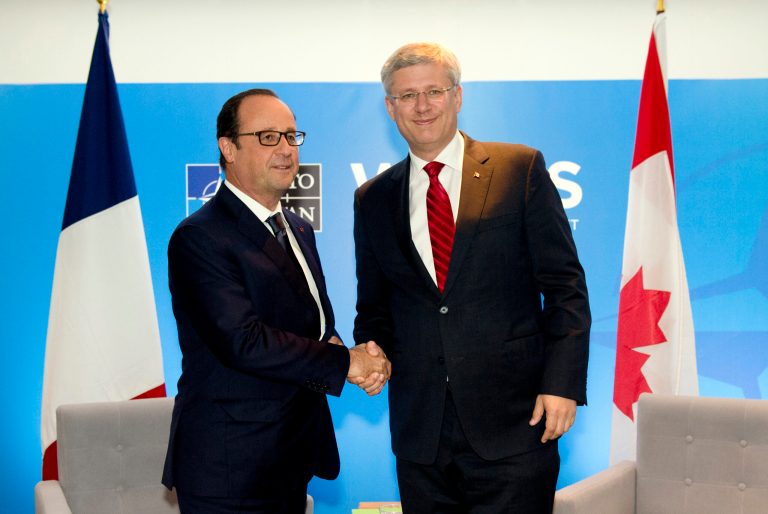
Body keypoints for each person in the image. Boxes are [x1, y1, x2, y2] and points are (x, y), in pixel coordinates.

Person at [353, 43, 591, 513]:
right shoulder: (372, 198)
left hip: (516, 426)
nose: (422, 106)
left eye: (434, 91)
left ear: (457, 96)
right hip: (421, 437)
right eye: (406, 96)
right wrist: (370, 351)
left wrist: (562, 383)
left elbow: (566, 288)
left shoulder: (518, 169)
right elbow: (374, 307)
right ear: (389, 107)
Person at [162, 88, 390, 514]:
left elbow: (313, 327)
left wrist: (351, 352)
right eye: (268, 137)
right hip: (229, 466)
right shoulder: (200, 237)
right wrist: (347, 365)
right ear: (228, 148)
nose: (285, 149)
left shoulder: (299, 228)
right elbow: (243, 340)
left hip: (290, 455)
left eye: (291, 136)